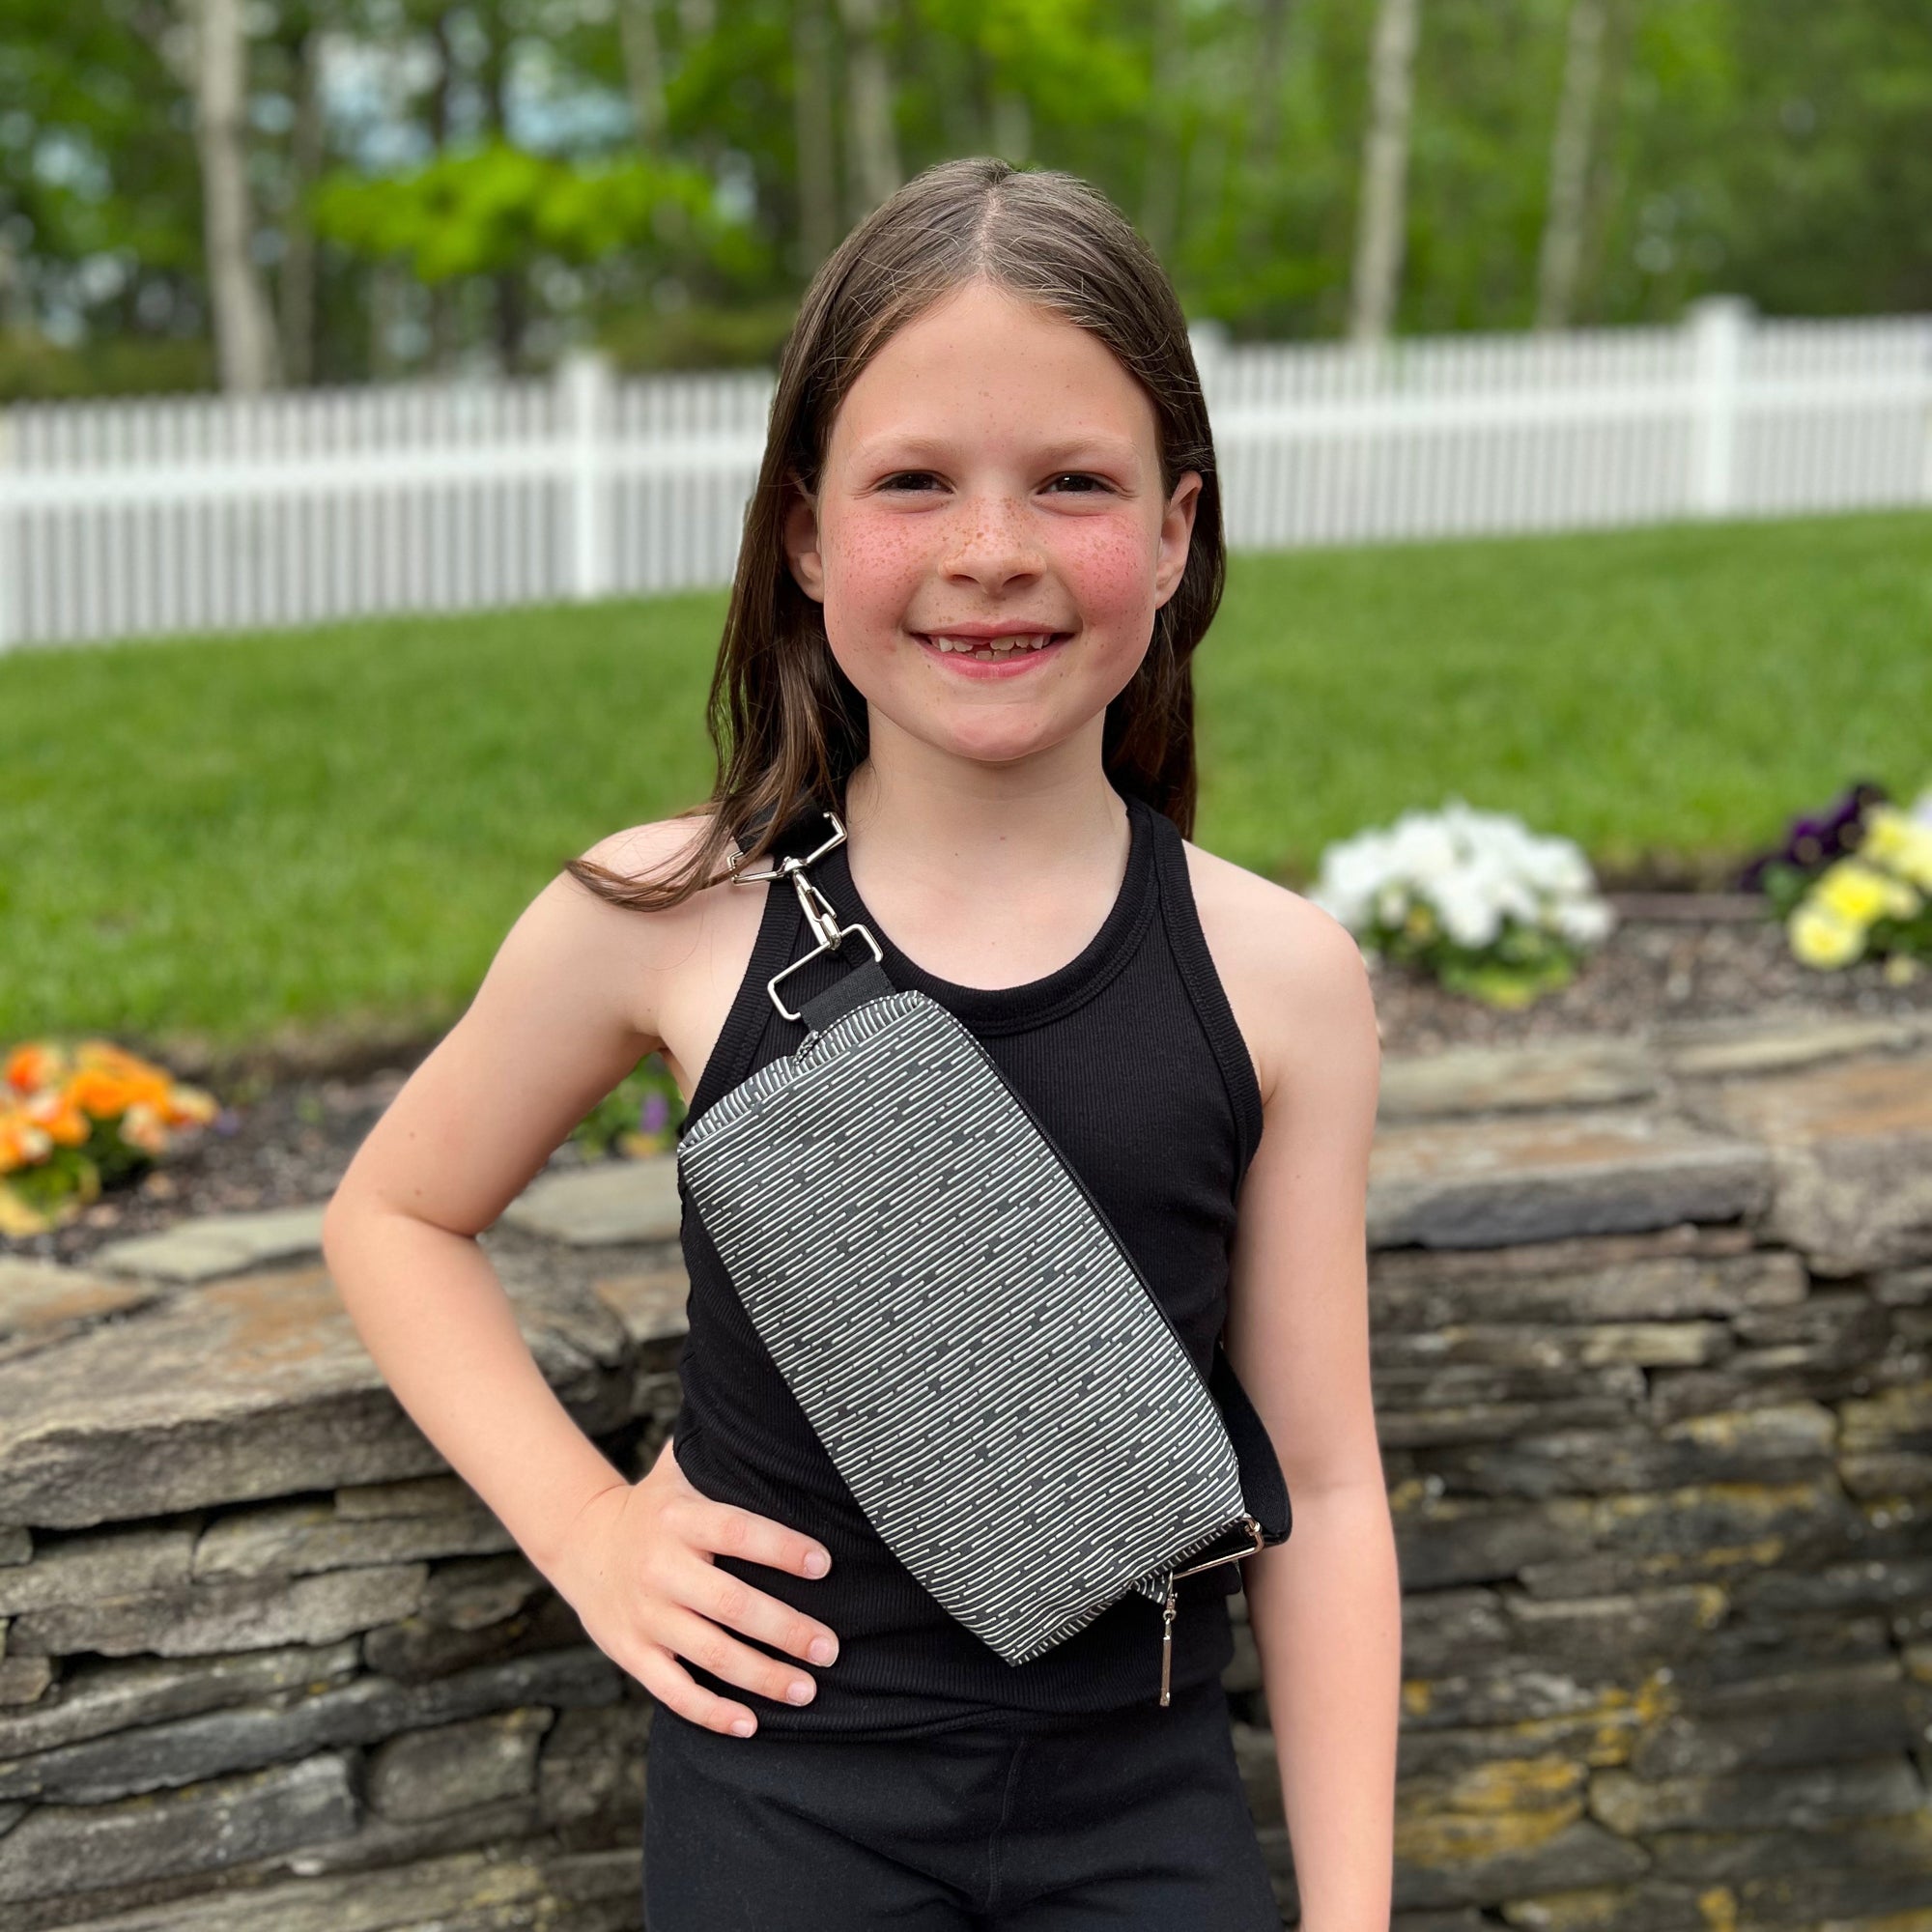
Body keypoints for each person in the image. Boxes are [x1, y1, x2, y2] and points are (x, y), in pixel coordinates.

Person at [322, 156, 1398, 1931]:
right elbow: (393, 1216)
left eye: (1074, 482)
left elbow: (1331, 1488)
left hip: (1144, 1812)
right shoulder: (668, 915)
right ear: (807, 534)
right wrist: (588, 1532)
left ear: (1176, 531)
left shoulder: (1281, 975)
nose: (992, 552)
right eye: (914, 483)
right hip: (781, 1805)